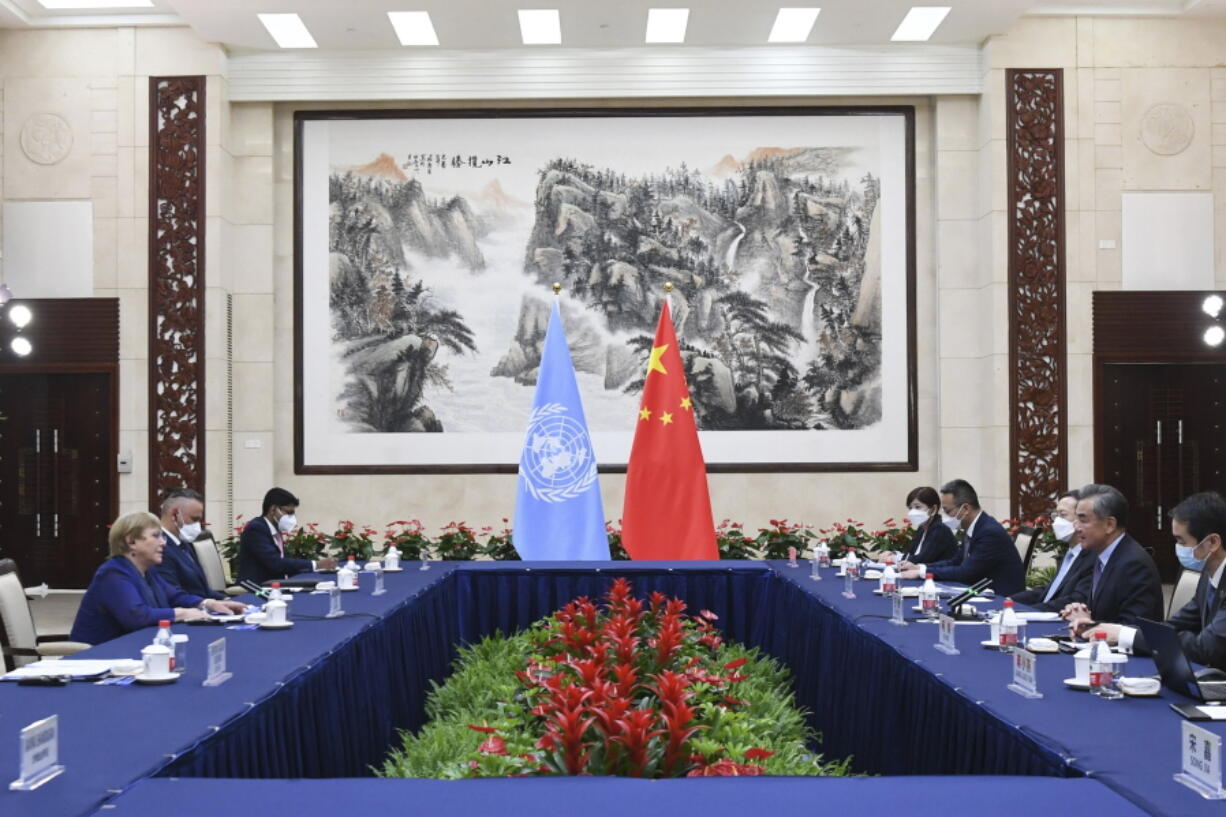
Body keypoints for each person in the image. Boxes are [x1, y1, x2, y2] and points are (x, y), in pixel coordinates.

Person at [1084, 491, 1226, 669]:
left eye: (1181, 541)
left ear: (1212, 542)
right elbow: (1173, 626)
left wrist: (1125, 636)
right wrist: (1115, 631)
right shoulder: (1208, 578)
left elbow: (1204, 647)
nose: (1177, 549)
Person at [70, 511, 246, 645]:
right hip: (100, 660)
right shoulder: (113, 573)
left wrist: (208, 604)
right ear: (131, 541)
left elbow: (175, 596)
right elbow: (136, 616)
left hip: (135, 652)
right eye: (156, 536)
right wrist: (183, 613)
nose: (163, 542)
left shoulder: (147, 571)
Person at [1062, 483, 1163, 630]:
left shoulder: (1133, 564)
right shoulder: (1101, 554)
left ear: (1109, 524)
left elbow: (1134, 629)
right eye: (1076, 520)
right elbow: (1101, 613)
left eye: (1083, 520)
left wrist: (1090, 625)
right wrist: (1081, 612)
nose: (1076, 527)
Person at [899, 478, 1025, 596]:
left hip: (1001, 599)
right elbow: (956, 561)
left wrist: (922, 573)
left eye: (947, 511)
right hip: (976, 591)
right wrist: (920, 567)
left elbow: (965, 572)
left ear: (965, 508)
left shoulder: (989, 532)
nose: (945, 516)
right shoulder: (974, 527)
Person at [1010, 489, 1094, 611]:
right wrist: (1010, 600)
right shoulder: (1070, 552)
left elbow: (1075, 600)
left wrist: (1028, 612)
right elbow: (1050, 591)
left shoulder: (1091, 558)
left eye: (1063, 515)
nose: (1057, 521)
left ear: (1081, 518)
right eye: (1056, 515)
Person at [237, 487, 337, 585]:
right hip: (255, 589)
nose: (292, 517)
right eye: (289, 512)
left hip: (275, 586)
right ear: (273, 510)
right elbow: (276, 564)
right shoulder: (256, 529)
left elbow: (285, 564)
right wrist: (316, 564)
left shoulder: (275, 530)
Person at [152, 488, 224, 600]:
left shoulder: (183, 544)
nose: (197, 526)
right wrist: (207, 603)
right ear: (174, 514)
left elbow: (200, 589)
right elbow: (172, 594)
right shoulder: (159, 548)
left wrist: (225, 600)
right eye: (194, 519)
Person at [897, 486, 958, 565]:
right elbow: (910, 554)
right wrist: (894, 555)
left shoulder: (940, 528)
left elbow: (922, 560)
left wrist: (896, 558)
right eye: (910, 508)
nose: (912, 512)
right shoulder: (922, 528)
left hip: (940, 576)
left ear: (933, 509)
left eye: (917, 507)